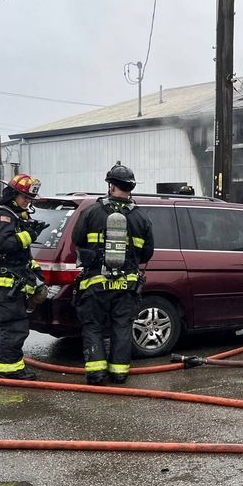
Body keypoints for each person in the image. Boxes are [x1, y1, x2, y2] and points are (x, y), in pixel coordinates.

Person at [72, 163, 154, 385]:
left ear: (110, 185)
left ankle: (96, 373)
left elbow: (77, 241)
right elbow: (147, 253)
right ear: (131, 188)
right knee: (122, 326)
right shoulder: (141, 217)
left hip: (95, 283)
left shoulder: (92, 212)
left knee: (93, 326)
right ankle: (119, 373)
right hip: (126, 284)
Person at [0, 174, 48, 380]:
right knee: (14, 326)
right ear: (12, 194)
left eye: (29, 198)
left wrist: (35, 270)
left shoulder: (15, 216)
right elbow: (3, 244)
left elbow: (20, 255)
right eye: (23, 196)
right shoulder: (2, 215)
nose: (27, 201)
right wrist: (30, 235)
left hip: (5, 282)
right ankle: (11, 369)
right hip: (4, 282)